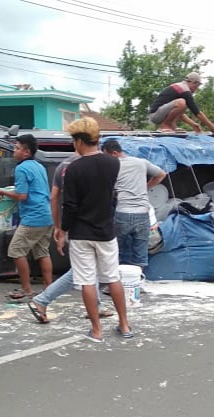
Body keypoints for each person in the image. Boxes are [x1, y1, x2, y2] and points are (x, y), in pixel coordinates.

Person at [58, 117, 133, 342]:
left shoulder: (73, 169)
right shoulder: (113, 163)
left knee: (87, 281)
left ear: (79, 141)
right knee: (113, 278)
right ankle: (124, 325)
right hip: (106, 230)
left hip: (81, 233)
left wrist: (63, 230)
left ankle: (97, 330)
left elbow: (69, 206)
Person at [27, 153, 113, 324]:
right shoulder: (92, 165)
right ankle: (42, 300)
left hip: (75, 227)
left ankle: (95, 306)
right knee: (81, 271)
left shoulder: (63, 166)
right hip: (88, 227)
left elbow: (54, 198)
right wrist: (61, 229)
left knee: (87, 269)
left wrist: (59, 227)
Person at [0, 134, 54, 300]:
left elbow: (21, 195)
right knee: (42, 252)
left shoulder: (21, 168)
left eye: (17, 148)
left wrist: (2, 191)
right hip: (47, 215)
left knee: (15, 251)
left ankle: (26, 290)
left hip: (33, 217)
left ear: (26, 152)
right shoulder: (38, 166)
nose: (14, 150)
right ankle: (49, 290)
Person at [101, 139, 166, 267]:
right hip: (142, 214)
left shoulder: (112, 166)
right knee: (141, 255)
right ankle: (137, 283)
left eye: (106, 156)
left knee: (115, 252)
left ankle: (116, 282)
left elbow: (109, 190)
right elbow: (161, 174)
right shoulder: (141, 162)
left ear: (114, 153)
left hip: (123, 214)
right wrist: (146, 187)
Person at [148, 72, 214, 134]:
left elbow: (180, 114)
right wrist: (212, 127)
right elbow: (197, 113)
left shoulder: (181, 88)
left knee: (182, 105)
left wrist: (193, 124)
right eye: (197, 86)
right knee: (181, 103)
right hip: (156, 114)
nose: (196, 89)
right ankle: (165, 126)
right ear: (194, 83)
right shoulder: (184, 90)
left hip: (160, 113)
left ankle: (172, 127)